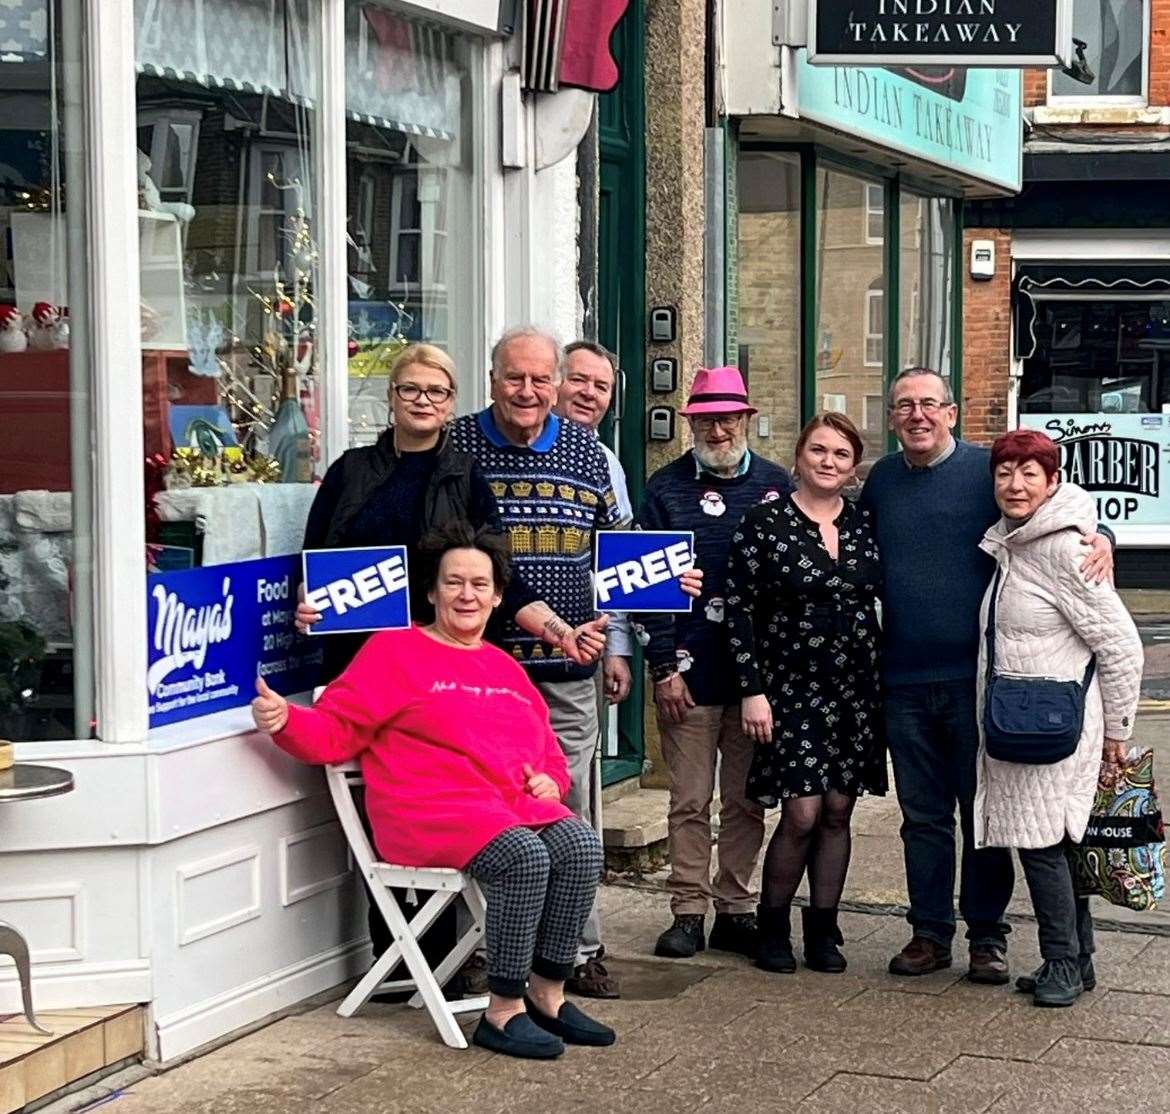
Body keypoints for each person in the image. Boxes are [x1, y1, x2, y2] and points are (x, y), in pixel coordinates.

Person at [251, 521, 616, 1059]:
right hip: (424, 811)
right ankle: (502, 1010)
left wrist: (551, 779)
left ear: (496, 598)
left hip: (501, 808)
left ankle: (548, 992)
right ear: (431, 591)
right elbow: (336, 730)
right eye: (453, 582)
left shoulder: (505, 667)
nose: (466, 594)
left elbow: (545, 751)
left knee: (581, 845)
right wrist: (285, 720)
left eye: (479, 584)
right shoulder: (393, 651)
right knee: (524, 857)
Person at [297, 342, 607, 971]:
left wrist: (560, 633)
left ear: (451, 402)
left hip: (442, 667)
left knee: (453, 801)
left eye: (436, 392)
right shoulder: (351, 471)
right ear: (391, 397)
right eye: (411, 389)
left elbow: (503, 580)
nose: (423, 401)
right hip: (363, 664)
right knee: (389, 805)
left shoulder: (465, 475)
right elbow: (314, 563)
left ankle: (451, 960)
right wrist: (305, 606)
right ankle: (405, 965)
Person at [861, 367, 1113, 984]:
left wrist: (1100, 533)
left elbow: (1059, 497)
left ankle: (986, 936)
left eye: (929, 404)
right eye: (904, 406)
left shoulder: (985, 471)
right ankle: (928, 933)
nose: (917, 415)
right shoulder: (882, 482)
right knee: (922, 817)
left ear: (952, 412)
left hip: (981, 685)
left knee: (986, 817)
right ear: (892, 418)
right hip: (905, 681)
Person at [445, 326, 627, 999]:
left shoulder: (589, 452)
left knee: (568, 806)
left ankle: (574, 950)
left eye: (540, 380)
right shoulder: (457, 445)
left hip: (567, 671)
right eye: (514, 378)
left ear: (556, 383)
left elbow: (616, 549)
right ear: (492, 378)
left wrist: (662, 588)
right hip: (476, 667)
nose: (528, 392)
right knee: (478, 804)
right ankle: (481, 951)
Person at [975, 430, 1142, 1007]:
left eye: (1029, 473)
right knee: (1059, 844)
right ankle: (1081, 960)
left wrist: (1119, 731)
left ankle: (1062, 965)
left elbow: (1122, 646)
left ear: (1053, 482)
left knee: (1042, 845)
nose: (1014, 484)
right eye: (1004, 472)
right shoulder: (1015, 542)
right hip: (1027, 722)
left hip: (1052, 727)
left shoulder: (1063, 550)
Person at [633, 366, 794, 960]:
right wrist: (663, 667)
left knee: (747, 799)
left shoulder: (779, 485)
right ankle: (687, 910)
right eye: (706, 419)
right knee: (688, 799)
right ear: (691, 423)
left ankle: (735, 906)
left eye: (728, 417)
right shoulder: (664, 487)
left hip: (758, 681)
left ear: (746, 420)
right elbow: (641, 589)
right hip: (689, 670)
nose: (718, 428)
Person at [725, 413, 884, 974]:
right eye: (819, 450)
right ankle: (772, 928)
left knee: (840, 809)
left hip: (856, 689)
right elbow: (738, 610)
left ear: (853, 465)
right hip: (790, 688)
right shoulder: (764, 522)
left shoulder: (866, 522)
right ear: (798, 456)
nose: (829, 462)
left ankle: (824, 930)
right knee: (801, 812)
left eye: (842, 454)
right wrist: (752, 691)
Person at [555, 340, 634, 704]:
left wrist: (616, 646)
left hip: (583, 652)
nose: (590, 393)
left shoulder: (606, 462)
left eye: (601, 387)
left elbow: (613, 562)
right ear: (555, 382)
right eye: (578, 380)